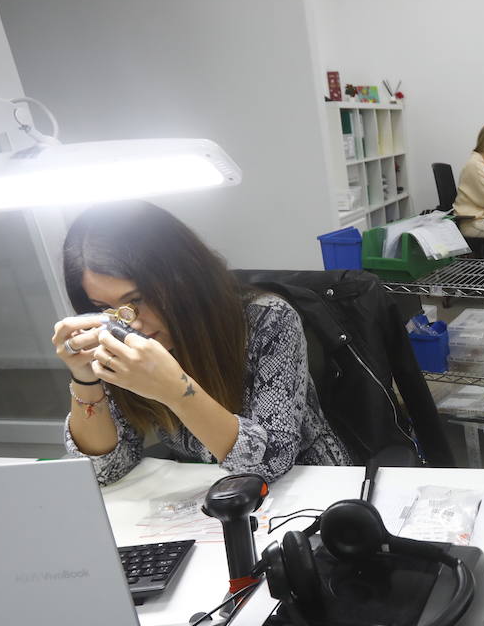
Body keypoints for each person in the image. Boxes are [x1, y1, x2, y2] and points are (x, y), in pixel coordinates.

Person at [51, 201, 351, 485]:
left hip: (311, 483)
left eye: (137, 299)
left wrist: (175, 391)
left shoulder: (268, 320)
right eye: (105, 308)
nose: (130, 323)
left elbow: (273, 460)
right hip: (205, 490)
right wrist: (85, 377)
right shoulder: (119, 337)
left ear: (181, 278)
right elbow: (104, 470)